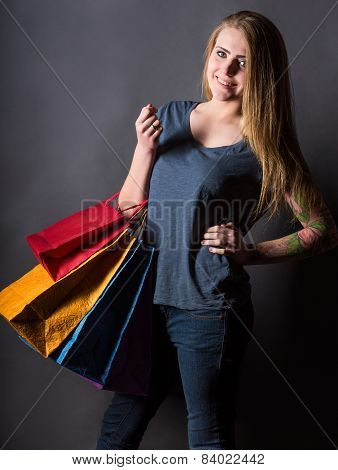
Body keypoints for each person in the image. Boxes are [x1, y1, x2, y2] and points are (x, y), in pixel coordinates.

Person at [95, 10, 338, 450]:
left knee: (207, 437)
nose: (226, 71)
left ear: (262, 74)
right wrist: (144, 150)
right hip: (147, 303)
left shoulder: (265, 144)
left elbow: (321, 229)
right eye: (221, 54)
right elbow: (129, 210)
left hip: (208, 311)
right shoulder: (168, 117)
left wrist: (249, 252)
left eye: (241, 63)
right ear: (209, 54)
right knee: (117, 432)